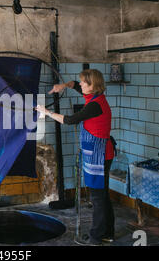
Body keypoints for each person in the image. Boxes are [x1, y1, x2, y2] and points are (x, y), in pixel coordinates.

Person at [36, 69, 115, 246]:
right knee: (102, 196)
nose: (80, 84)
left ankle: (96, 238)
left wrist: (46, 112)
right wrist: (62, 86)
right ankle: (108, 233)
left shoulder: (95, 105)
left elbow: (70, 120)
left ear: (92, 85)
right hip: (101, 153)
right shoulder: (95, 96)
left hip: (99, 156)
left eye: (83, 83)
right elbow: (73, 84)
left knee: (97, 198)